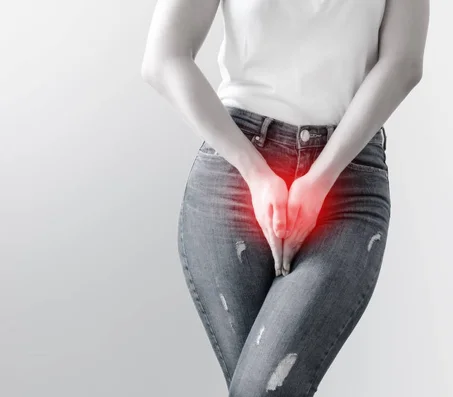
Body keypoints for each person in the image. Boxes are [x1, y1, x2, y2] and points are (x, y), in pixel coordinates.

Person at [141, 0, 429, 395]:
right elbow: (162, 58)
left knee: (262, 389)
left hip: (347, 183)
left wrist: (320, 177)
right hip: (234, 178)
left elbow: (403, 63)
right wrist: (257, 175)